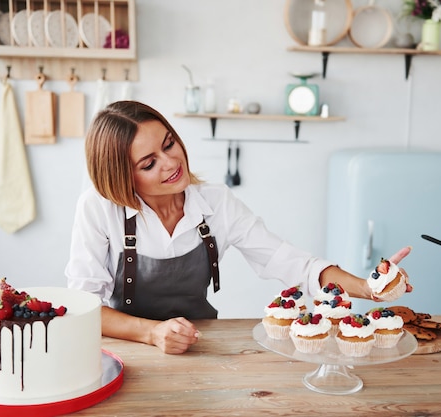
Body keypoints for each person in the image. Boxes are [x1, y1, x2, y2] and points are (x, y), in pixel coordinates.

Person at [65, 101, 413, 354]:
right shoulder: (98, 209)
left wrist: (369, 288)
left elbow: (291, 263)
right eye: (149, 163)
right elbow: (84, 307)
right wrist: (153, 333)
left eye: (169, 143)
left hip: (202, 348)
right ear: (123, 177)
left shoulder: (216, 203)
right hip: (125, 354)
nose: (171, 163)